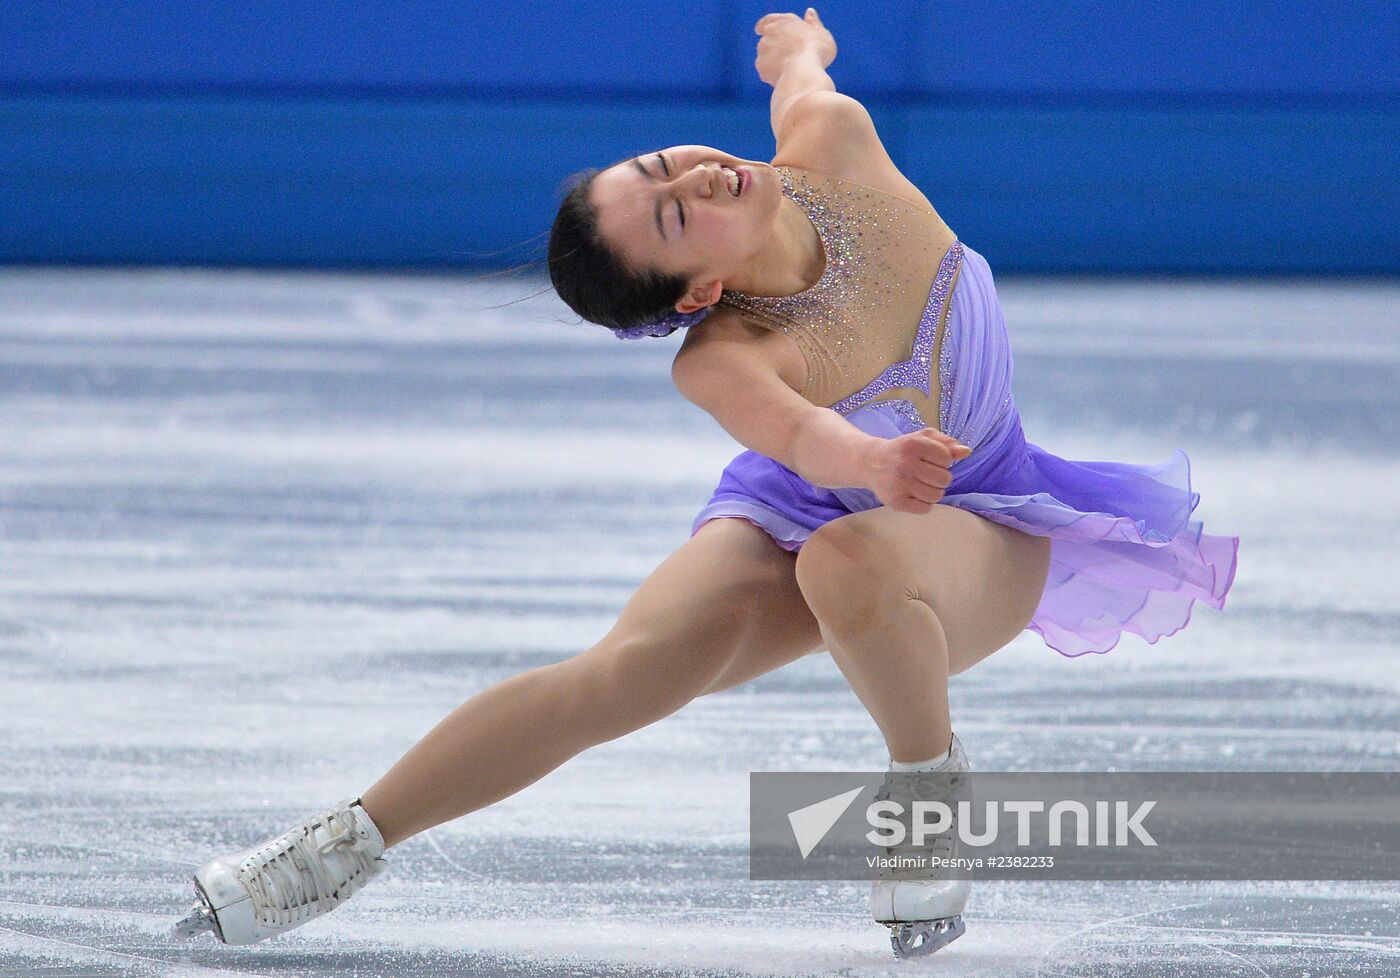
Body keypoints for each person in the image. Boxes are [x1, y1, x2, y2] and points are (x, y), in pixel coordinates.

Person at [173, 8, 1240, 959]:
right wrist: (869, 462)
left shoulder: (832, 143)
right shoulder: (720, 356)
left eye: (660, 166)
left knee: (850, 559)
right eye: (675, 217)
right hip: (813, 494)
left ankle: (926, 794)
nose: (695, 177)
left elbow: (801, 88)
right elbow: (797, 434)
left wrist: (799, 46)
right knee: (630, 667)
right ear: (699, 292)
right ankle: (339, 848)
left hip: (983, 511)